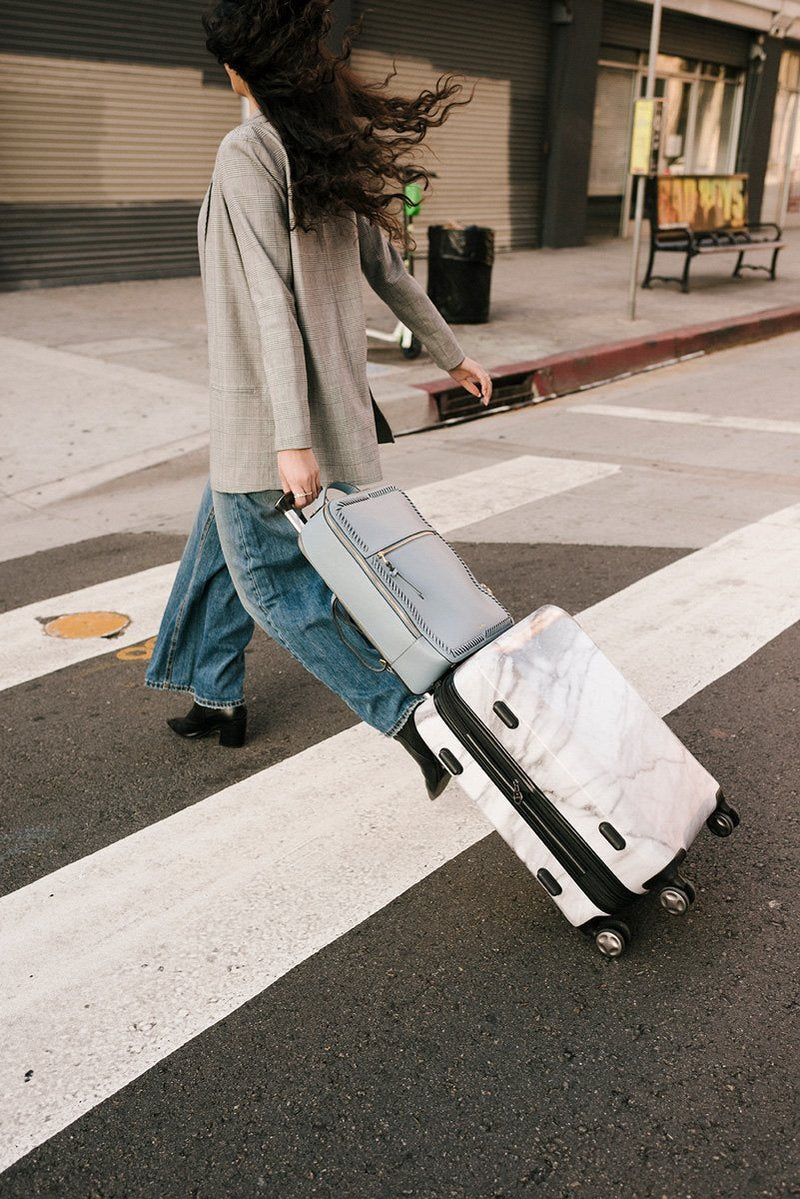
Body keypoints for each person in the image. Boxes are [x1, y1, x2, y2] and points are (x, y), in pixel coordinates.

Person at [146, 0, 493, 799]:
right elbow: (392, 272)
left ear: (241, 68)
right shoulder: (328, 147)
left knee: (277, 587)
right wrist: (454, 353)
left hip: (270, 420)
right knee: (218, 555)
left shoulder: (248, 152)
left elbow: (269, 302)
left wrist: (288, 439)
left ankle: (412, 719)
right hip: (308, 411)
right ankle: (215, 693)